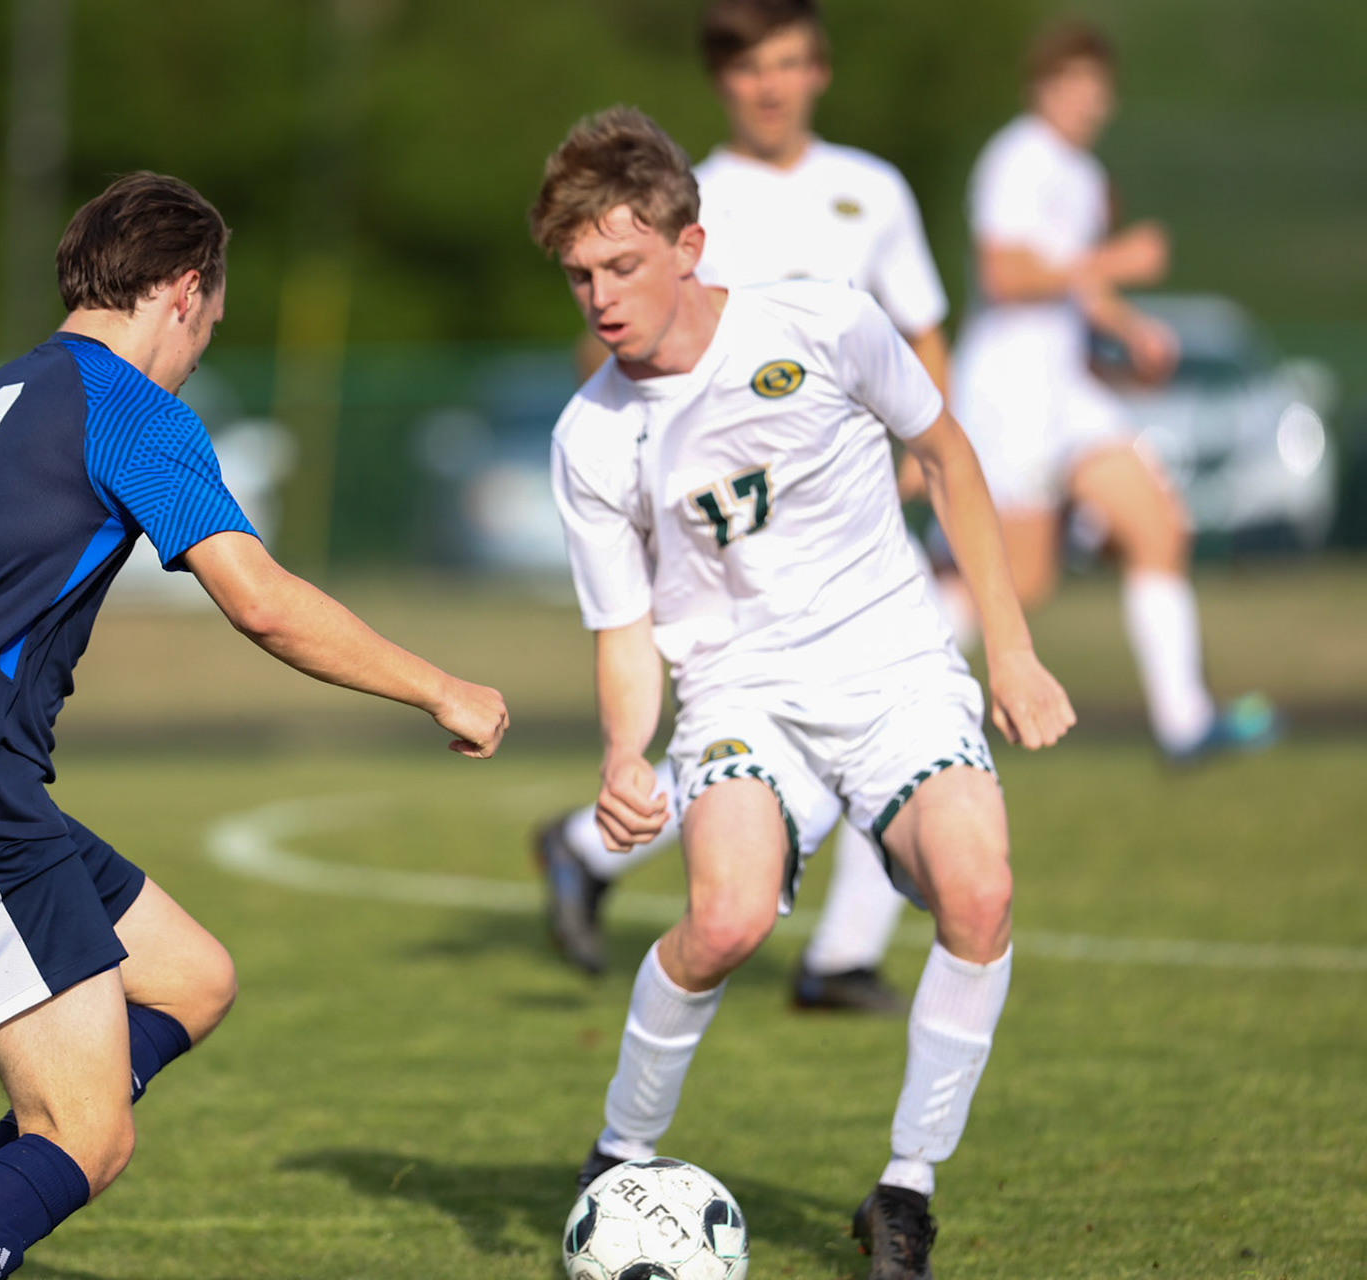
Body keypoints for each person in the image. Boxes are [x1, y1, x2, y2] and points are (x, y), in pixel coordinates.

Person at [0, 171, 508, 1279]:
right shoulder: (129, 410)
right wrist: (443, 686)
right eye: (211, 317)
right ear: (182, 288)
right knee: (88, 1134)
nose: (204, 343)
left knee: (190, 976)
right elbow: (260, 602)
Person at [531, 107, 1074, 1279]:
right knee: (722, 922)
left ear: (691, 244)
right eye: (579, 275)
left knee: (978, 893)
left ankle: (905, 1191)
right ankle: (619, 1154)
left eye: (622, 264)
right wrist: (628, 752)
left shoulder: (823, 323)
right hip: (741, 695)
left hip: (893, 669)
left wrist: (1013, 652)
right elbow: (625, 630)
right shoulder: (590, 439)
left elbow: (950, 458)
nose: (601, 297)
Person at [535, 0, 973, 1016]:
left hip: (854, 515)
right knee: (768, 726)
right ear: (721, 82)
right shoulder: (693, 200)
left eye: (786, 63)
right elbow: (618, 350)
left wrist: (918, 460)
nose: (768, 85)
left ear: (819, 71)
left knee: (896, 711)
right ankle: (600, 848)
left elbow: (920, 336)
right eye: (746, 67)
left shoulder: (875, 190)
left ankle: (841, 947)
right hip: (728, 537)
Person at [951, 19, 1277, 761]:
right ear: (1042, 87)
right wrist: (1118, 260)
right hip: (1009, 393)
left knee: (1158, 526)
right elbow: (1006, 274)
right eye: (1073, 87)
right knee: (1017, 581)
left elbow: (1079, 289)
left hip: (1066, 389)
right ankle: (885, 690)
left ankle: (1185, 724)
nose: (1088, 105)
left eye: (1098, 92)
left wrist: (1131, 331)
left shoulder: (1085, 177)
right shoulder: (1017, 158)